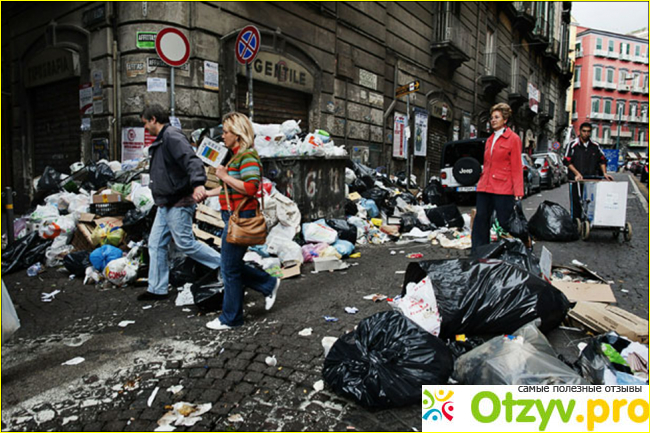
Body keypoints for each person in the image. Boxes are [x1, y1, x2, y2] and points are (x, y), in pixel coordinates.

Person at [137, 104, 222, 301]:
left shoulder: (171, 136)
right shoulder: (162, 139)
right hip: (166, 202)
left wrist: (198, 184)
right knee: (155, 244)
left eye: (145, 123)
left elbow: (192, 161)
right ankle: (156, 289)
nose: (145, 128)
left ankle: (230, 267)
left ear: (153, 119)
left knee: (186, 243)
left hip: (178, 201)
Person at [204, 112, 280, 331]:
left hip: (241, 218)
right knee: (232, 265)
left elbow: (251, 187)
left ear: (237, 134)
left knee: (229, 268)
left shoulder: (247, 156)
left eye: (226, 132)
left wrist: (225, 176)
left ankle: (231, 318)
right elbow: (230, 187)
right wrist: (207, 193)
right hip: (233, 216)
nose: (223, 136)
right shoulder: (236, 156)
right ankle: (268, 283)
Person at [471, 103, 524, 255]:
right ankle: (479, 252)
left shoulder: (513, 139)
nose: (493, 120)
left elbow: (516, 166)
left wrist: (518, 191)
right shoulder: (490, 139)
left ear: (505, 120)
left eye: (497, 117)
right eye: (492, 117)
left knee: (505, 222)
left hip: (503, 188)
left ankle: (513, 251)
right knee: (481, 220)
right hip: (485, 186)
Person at [564, 122, 613, 220]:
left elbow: (602, 160)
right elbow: (567, 161)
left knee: (591, 202)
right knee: (576, 203)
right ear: (580, 131)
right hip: (576, 180)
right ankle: (576, 222)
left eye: (588, 131)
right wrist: (577, 174)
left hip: (591, 179)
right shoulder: (572, 145)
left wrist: (605, 173)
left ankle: (590, 221)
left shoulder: (595, 146)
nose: (586, 133)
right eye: (584, 131)